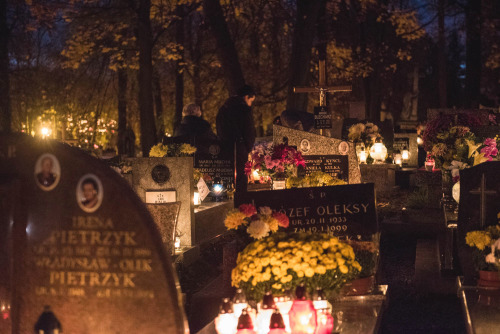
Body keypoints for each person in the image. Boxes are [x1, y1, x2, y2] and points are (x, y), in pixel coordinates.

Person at [216, 85, 256, 193]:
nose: (250, 104)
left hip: (225, 147)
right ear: (247, 97)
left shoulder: (223, 109)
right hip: (239, 147)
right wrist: (248, 147)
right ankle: (241, 202)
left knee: (228, 176)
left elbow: (219, 128)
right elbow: (249, 131)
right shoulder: (244, 110)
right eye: (251, 100)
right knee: (240, 177)